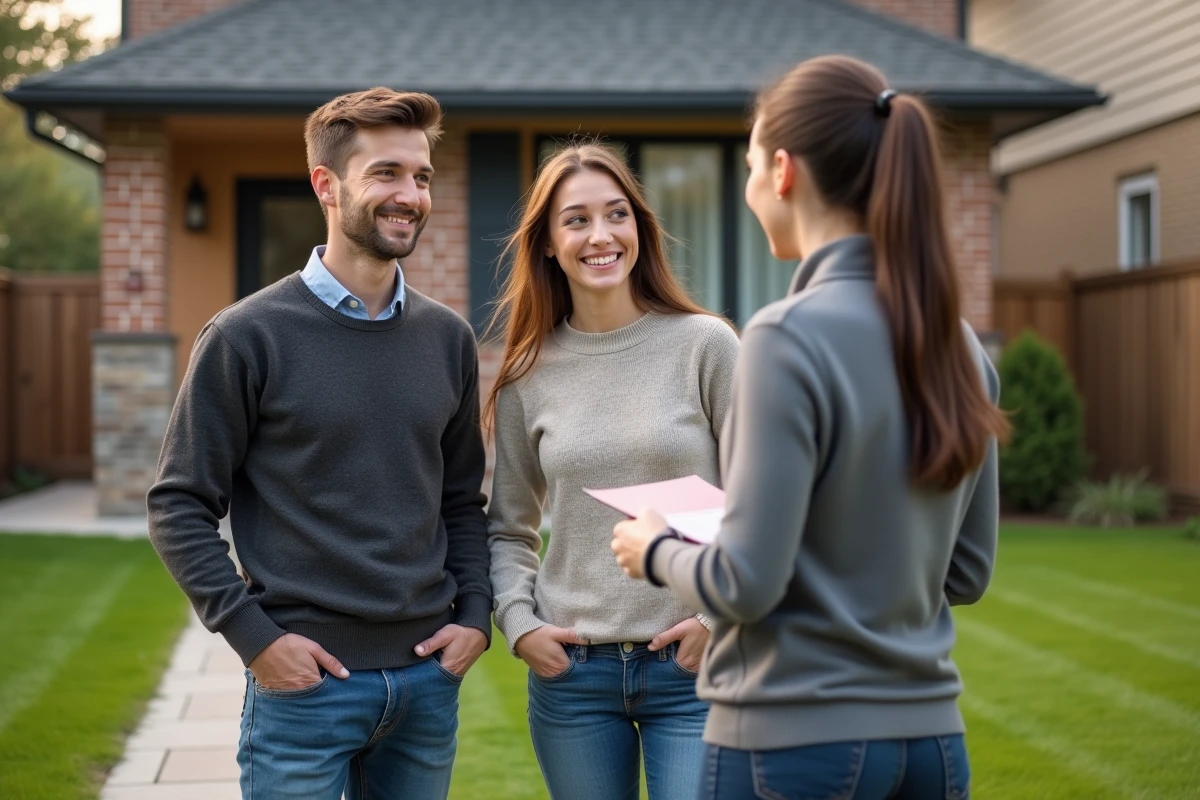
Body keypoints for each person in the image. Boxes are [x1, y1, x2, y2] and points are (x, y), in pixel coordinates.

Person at [611, 55, 1009, 800]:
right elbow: (966, 573)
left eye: (750, 166)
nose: (749, 189)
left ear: (783, 171)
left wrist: (655, 548)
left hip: (793, 744)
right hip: (931, 744)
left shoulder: (786, 336)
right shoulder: (958, 343)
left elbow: (745, 584)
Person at [146, 88, 491, 800]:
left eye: (422, 177)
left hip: (427, 683)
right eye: (387, 173)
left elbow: (460, 502)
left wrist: (475, 618)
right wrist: (255, 639)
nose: (411, 196)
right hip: (304, 687)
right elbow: (178, 505)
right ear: (326, 185)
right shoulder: (246, 336)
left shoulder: (448, 339)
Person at [485, 142, 740, 800]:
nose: (601, 235)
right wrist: (519, 623)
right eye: (576, 220)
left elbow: (764, 504)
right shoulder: (526, 374)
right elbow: (509, 528)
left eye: (616, 214)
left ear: (639, 228)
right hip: (574, 678)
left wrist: (718, 619)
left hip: (694, 667)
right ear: (548, 243)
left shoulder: (706, 346)